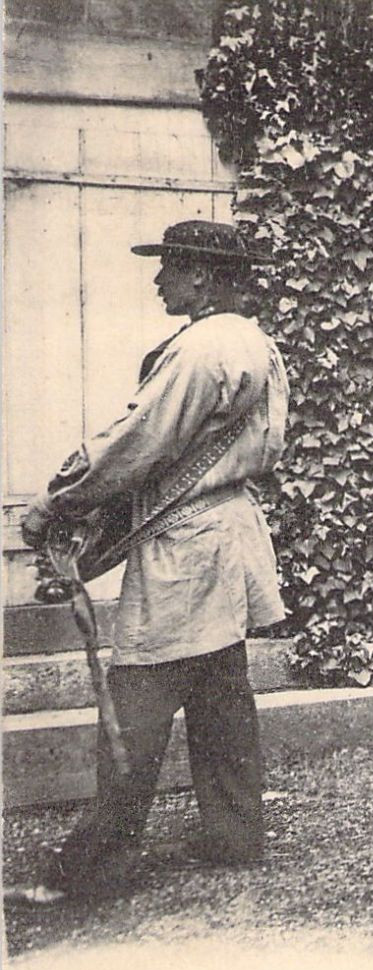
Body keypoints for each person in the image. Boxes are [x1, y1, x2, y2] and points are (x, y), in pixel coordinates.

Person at [9, 220, 288, 906]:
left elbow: (138, 441)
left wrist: (58, 500)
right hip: (227, 531)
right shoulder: (254, 341)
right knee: (222, 689)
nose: (159, 280)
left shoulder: (201, 348)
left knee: (137, 693)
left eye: (168, 268)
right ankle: (234, 834)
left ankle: (96, 863)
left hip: (187, 544)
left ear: (201, 275)